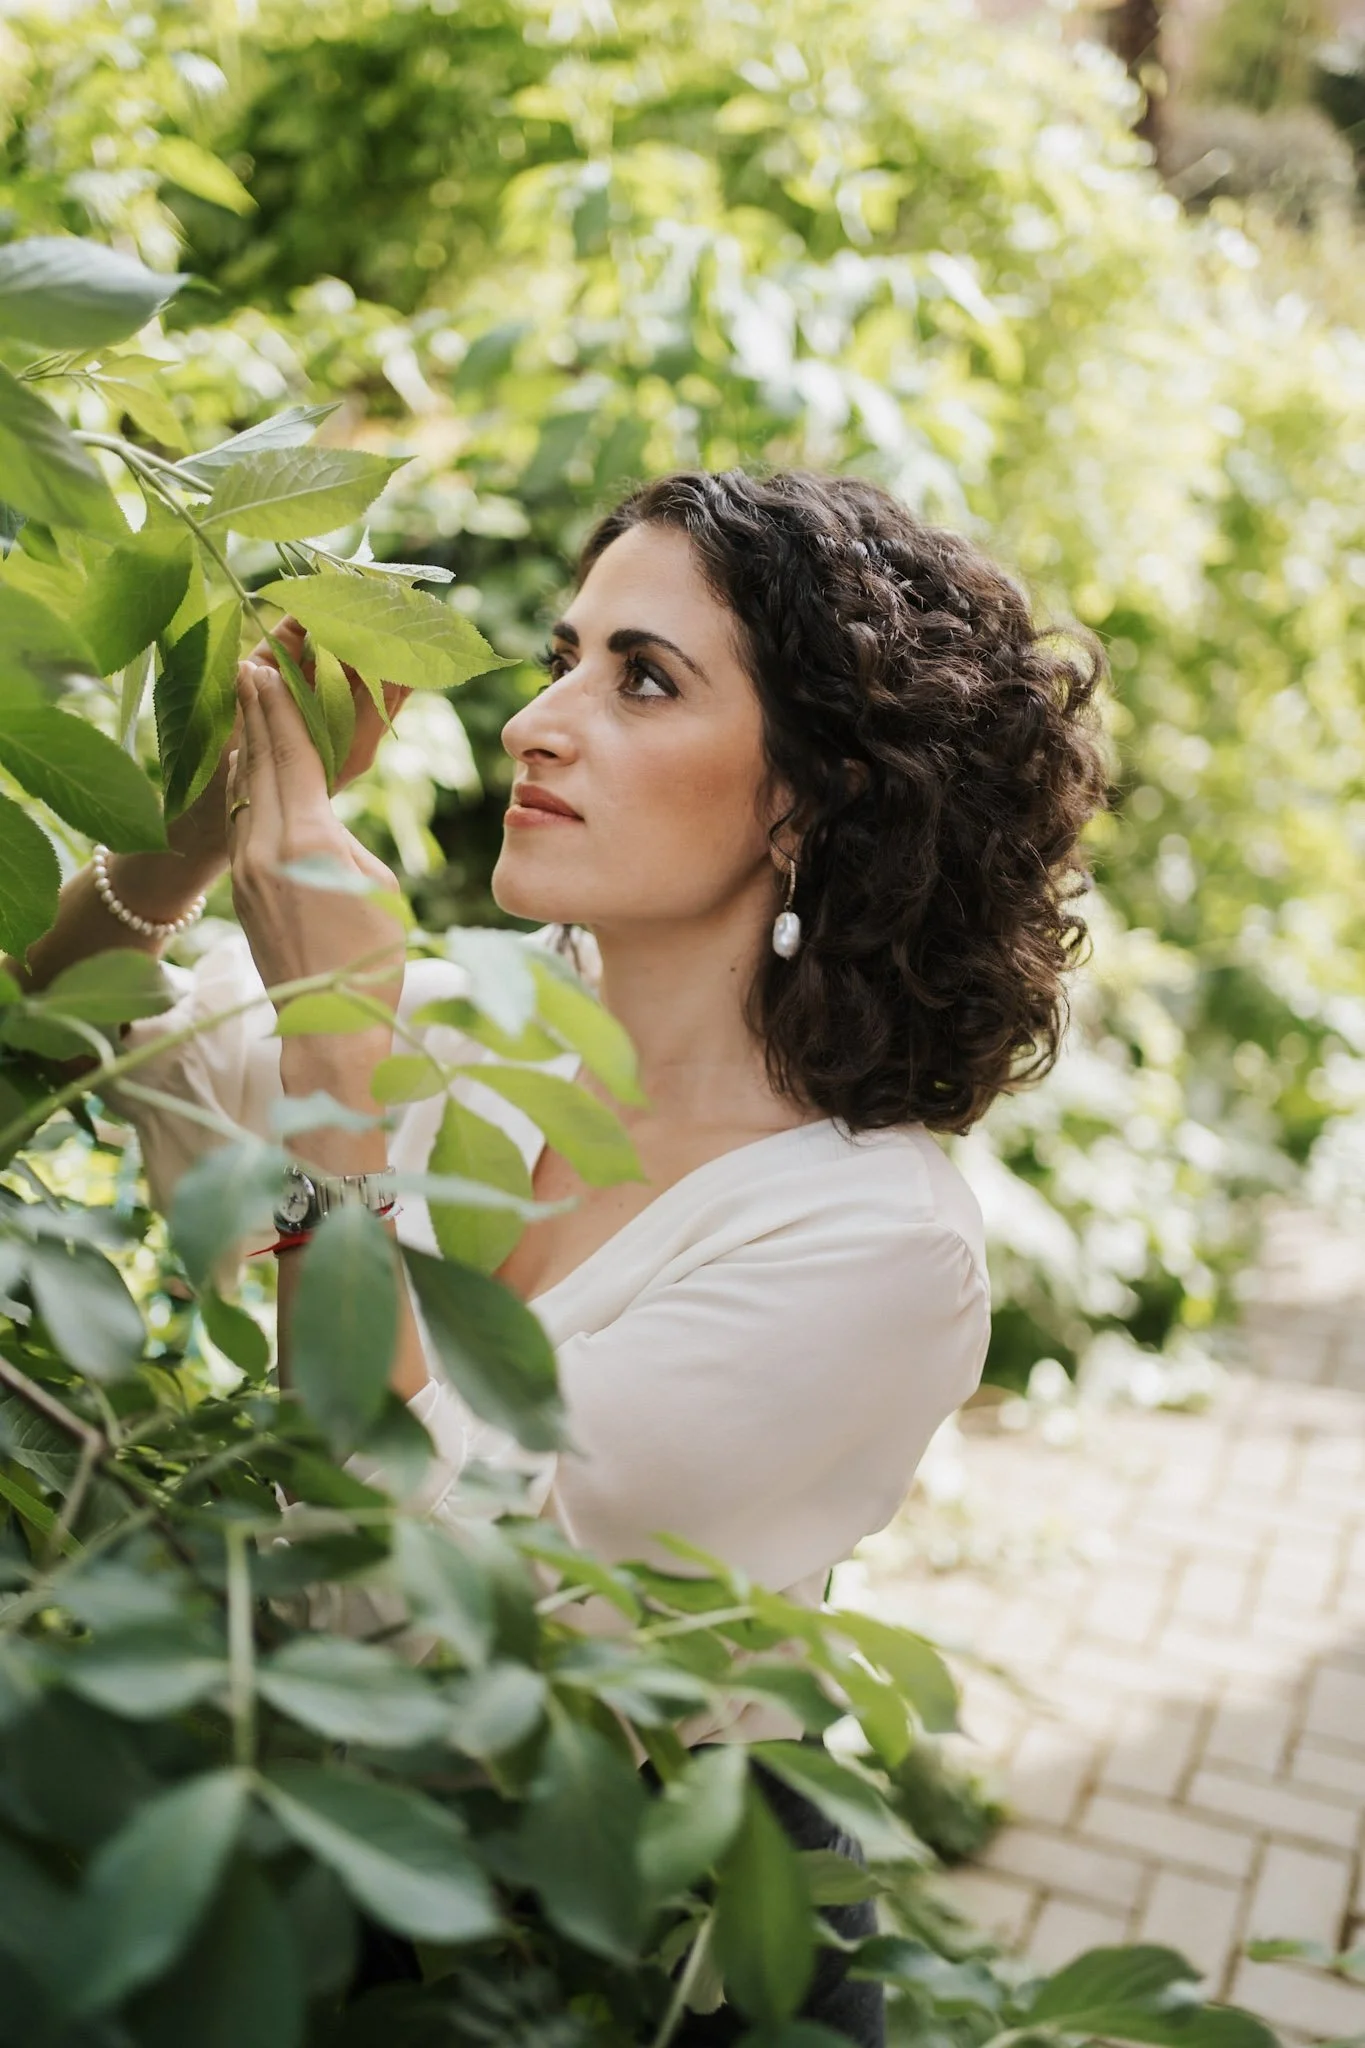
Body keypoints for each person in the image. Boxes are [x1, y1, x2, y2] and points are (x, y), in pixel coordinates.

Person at [9, 468, 1110, 2041]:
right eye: (566, 657)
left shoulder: (873, 1248)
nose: (540, 720)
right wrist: (197, 840)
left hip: (612, 1960)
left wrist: (334, 1063)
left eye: (644, 678)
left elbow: (406, 1618)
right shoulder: (474, 1022)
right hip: (324, 1876)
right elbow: (51, 1040)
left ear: (814, 796)